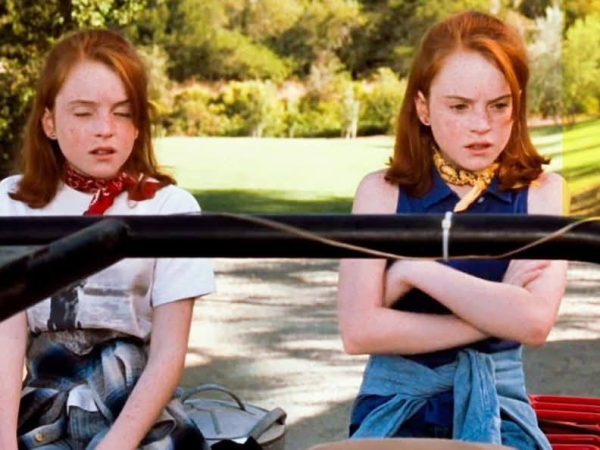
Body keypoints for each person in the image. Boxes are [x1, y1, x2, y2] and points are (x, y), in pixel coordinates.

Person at [337, 11, 569, 450]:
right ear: (423, 107)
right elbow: (359, 330)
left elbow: (535, 323)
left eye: (499, 106)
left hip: (499, 407)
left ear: (517, 104)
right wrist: (497, 313)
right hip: (396, 405)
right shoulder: (380, 192)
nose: (482, 125)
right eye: (459, 107)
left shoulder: (542, 192)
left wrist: (414, 271)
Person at [0, 29, 215, 450]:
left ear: (138, 126)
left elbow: (169, 354)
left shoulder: (170, 208)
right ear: (49, 121)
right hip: (47, 409)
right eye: (83, 113)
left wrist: (115, 446)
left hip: (138, 411)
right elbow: (5, 342)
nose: (105, 129)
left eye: (122, 113)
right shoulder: (11, 203)